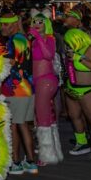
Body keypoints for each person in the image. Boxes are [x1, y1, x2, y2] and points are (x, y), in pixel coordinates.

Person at [0, 12, 38, 173]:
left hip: (17, 89)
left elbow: (12, 62)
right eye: (1, 24)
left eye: (6, 24)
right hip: (27, 88)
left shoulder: (15, 40)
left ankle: (16, 162)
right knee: (23, 126)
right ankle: (29, 161)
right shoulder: (23, 38)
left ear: (14, 25)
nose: (2, 27)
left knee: (15, 125)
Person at [62, 29, 91, 162]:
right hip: (72, 87)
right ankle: (82, 143)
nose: (67, 43)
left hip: (87, 90)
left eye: (68, 41)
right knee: (74, 116)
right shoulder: (70, 49)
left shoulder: (90, 50)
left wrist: (79, 58)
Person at [29, 13, 62, 165]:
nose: (36, 24)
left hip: (46, 81)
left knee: (43, 117)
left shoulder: (49, 39)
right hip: (38, 81)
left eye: (40, 22)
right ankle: (54, 152)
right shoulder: (34, 41)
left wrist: (39, 38)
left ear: (46, 24)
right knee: (48, 116)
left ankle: (47, 156)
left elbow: (49, 55)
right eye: (34, 21)